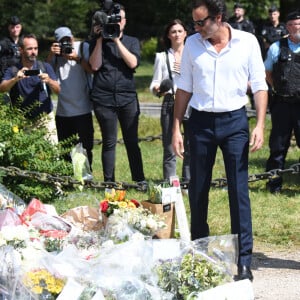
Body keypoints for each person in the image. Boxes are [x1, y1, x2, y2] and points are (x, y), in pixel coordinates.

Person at [172, 0, 268, 281]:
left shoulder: (247, 42)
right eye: (194, 23)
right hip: (200, 123)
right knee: (198, 190)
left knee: (239, 192)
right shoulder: (192, 44)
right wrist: (176, 127)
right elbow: (184, 87)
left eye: (202, 22)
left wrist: (260, 124)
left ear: (219, 18)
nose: (197, 28)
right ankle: (199, 253)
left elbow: (260, 85)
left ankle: (244, 261)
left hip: (235, 122)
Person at [89, 4, 145, 183]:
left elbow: (133, 63)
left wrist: (116, 40)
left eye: (119, 19)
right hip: (103, 98)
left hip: (127, 97)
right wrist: (100, 39)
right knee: (109, 141)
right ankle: (109, 183)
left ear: (124, 22)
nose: (116, 22)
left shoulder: (132, 41)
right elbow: (94, 66)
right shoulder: (98, 41)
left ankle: (139, 180)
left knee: (131, 141)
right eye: (113, 19)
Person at [46, 27, 94, 167]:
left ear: (73, 37)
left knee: (86, 147)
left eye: (69, 39)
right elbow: (46, 71)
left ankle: (86, 176)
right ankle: (67, 178)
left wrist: (77, 58)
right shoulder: (55, 56)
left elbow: (91, 69)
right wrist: (51, 54)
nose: (67, 43)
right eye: (63, 41)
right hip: (63, 111)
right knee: (65, 149)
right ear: (57, 43)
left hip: (83, 109)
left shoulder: (81, 47)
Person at [150, 19, 190, 183]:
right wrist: (158, 88)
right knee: (169, 146)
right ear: (168, 35)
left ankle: (188, 182)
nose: (177, 34)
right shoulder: (162, 57)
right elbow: (154, 83)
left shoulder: (193, 54)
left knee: (191, 145)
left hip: (190, 102)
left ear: (185, 33)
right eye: (173, 31)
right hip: (170, 101)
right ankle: (172, 183)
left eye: (180, 31)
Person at [0, 33, 60, 144]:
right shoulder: (13, 70)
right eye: (30, 49)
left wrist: (49, 81)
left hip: (45, 119)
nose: (34, 52)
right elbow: (2, 88)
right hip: (23, 121)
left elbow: (58, 90)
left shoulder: (45, 66)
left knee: (52, 156)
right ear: (21, 50)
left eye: (36, 48)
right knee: (28, 159)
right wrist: (15, 79)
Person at [264, 10, 300, 194]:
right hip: (282, 104)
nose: (297, 28)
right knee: (278, 146)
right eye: (294, 25)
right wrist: (278, 87)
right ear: (287, 27)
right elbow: (267, 73)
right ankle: (274, 184)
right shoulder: (277, 47)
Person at [0, 16, 22, 82]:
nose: (15, 30)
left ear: (21, 27)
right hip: (6, 77)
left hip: (21, 75)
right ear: (9, 28)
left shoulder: (24, 42)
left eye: (17, 27)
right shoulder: (3, 43)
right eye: (12, 27)